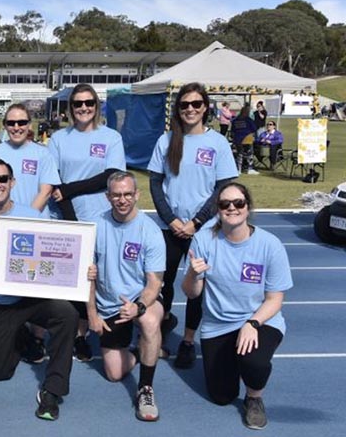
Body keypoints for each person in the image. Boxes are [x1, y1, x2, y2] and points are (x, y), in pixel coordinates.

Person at [0, 158, 79, 421]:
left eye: (2, 178)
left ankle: (52, 389)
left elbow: (53, 259)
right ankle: (21, 337)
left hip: (30, 299)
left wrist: (81, 271)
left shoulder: (32, 216)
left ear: (12, 182)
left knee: (66, 314)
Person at [181, 182, 292, 430]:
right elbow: (191, 293)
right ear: (218, 210)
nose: (232, 208)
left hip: (259, 319)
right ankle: (233, 357)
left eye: (238, 203)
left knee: (254, 362)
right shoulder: (203, 241)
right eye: (225, 204)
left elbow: (275, 299)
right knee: (221, 396)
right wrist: (192, 273)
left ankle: (254, 398)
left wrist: (252, 323)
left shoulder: (269, 245)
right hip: (218, 324)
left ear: (247, 206)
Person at [147, 82, 239, 369]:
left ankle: (187, 341)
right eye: (184, 105)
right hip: (170, 227)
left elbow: (223, 188)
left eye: (196, 104)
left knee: (197, 287)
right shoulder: (167, 140)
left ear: (205, 108)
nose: (190, 109)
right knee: (162, 284)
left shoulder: (218, 143)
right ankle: (160, 334)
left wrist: (196, 222)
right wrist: (172, 220)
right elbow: (155, 182)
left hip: (205, 229)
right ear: (178, 109)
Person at [48, 83, 126, 362]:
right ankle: (77, 334)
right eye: (78, 104)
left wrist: (71, 188)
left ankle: (99, 327)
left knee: (97, 278)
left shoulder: (111, 137)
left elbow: (112, 174)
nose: (83, 108)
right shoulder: (59, 138)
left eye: (89, 103)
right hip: (66, 216)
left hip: (101, 218)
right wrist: (70, 216)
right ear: (71, 108)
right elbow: (54, 180)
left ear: (96, 106)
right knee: (71, 281)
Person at [86, 171, 165, 422]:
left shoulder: (150, 232)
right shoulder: (95, 226)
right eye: (117, 195)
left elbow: (154, 283)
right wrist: (92, 315)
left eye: (128, 194)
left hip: (141, 299)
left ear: (137, 195)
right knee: (113, 373)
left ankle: (146, 389)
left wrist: (139, 307)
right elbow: (88, 277)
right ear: (108, 197)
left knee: (150, 322)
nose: (122, 200)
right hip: (109, 305)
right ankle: (142, 350)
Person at [0, 103, 60, 217]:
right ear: (4, 125)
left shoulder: (43, 153)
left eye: (22, 123)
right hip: (3, 222)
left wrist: (26, 219)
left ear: (29, 125)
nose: (16, 127)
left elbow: (45, 192)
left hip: (35, 220)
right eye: (11, 123)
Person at [231, 105, 259, 175]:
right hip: (247, 139)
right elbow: (254, 129)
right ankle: (249, 169)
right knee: (249, 154)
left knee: (239, 154)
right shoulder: (248, 120)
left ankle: (238, 169)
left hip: (237, 139)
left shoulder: (235, 120)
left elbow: (233, 130)